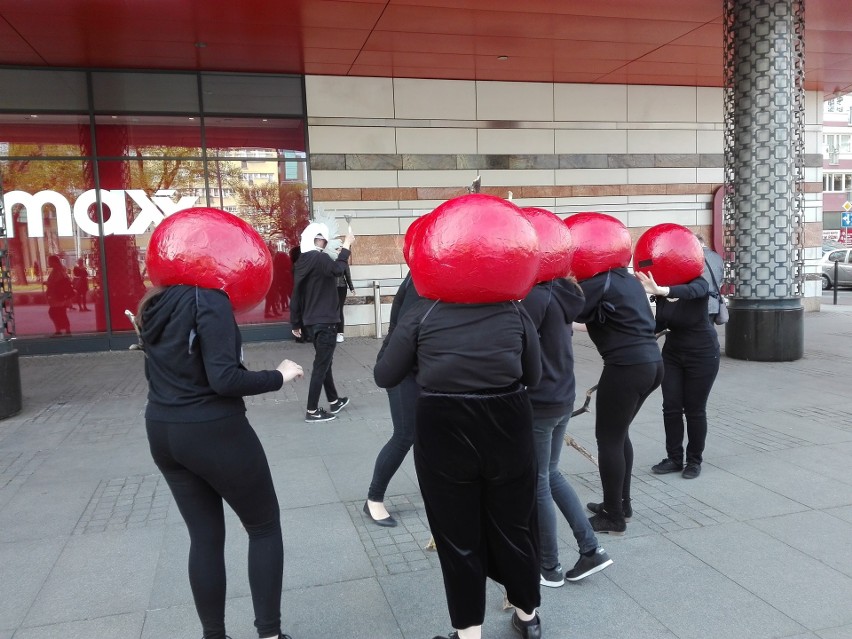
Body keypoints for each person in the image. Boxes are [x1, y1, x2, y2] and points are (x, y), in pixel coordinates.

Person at [138, 284, 303, 639]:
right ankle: (269, 635)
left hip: (163, 429)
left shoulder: (156, 301)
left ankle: (214, 636)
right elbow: (224, 378)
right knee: (263, 526)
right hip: (213, 430)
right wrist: (279, 376)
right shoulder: (208, 298)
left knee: (205, 537)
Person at [375, 297, 544, 639]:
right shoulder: (513, 310)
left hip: (443, 423)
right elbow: (534, 375)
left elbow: (385, 374)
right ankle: (529, 618)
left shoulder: (423, 312)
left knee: (456, 534)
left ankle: (469, 634)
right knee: (516, 523)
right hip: (507, 420)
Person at [521, 276, 613, 587]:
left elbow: (517, 346)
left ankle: (549, 566)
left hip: (542, 401)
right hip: (560, 397)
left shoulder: (535, 297)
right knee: (551, 473)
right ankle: (591, 548)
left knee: (539, 483)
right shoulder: (563, 292)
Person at [576, 267, 663, 535]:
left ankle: (613, 516)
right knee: (619, 433)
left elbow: (567, 310)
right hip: (651, 362)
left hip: (626, 366)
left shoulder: (599, 281)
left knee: (609, 439)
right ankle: (620, 505)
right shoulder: (625, 278)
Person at [637, 271, 720, 479]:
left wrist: (660, 290)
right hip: (673, 354)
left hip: (703, 354)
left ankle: (694, 461)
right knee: (671, 407)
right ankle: (674, 458)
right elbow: (660, 324)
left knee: (694, 409)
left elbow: (693, 292)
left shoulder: (698, 283)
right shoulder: (663, 288)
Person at [364, 272, 424, 527]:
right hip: (401, 365)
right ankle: (373, 499)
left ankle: (437, 491)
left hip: (424, 366)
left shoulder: (434, 274)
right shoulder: (422, 278)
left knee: (429, 434)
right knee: (404, 434)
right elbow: (406, 326)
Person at [290, 222, 354, 422]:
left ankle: (334, 401)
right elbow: (338, 269)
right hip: (326, 321)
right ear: (316, 238)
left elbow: (297, 295)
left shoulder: (303, 261)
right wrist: (347, 246)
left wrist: (296, 322)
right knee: (321, 364)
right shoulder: (320, 258)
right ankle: (312, 410)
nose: (325, 242)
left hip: (312, 321)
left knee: (324, 361)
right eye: (323, 239)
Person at [697, 234, 725, 323]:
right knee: (710, 332)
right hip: (714, 303)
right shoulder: (718, 257)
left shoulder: (695, 258)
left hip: (699, 304)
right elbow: (721, 279)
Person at [45, 255, 73, 336]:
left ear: (54, 262)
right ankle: (64, 330)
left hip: (57, 297)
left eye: (49, 261)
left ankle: (61, 330)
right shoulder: (61, 270)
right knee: (60, 313)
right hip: (59, 296)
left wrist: (47, 283)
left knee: (55, 313)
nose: (48, 263)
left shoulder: (57, 271)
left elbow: (56, 284)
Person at [335, 260, 355, 342]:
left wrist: (351, 288)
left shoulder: (343, 261)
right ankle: (333, 332)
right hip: (330, 288)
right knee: (331, 310)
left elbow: (347, 275)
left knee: (339, 310)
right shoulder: (327, 259)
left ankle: (340, 333)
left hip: (341, 287)